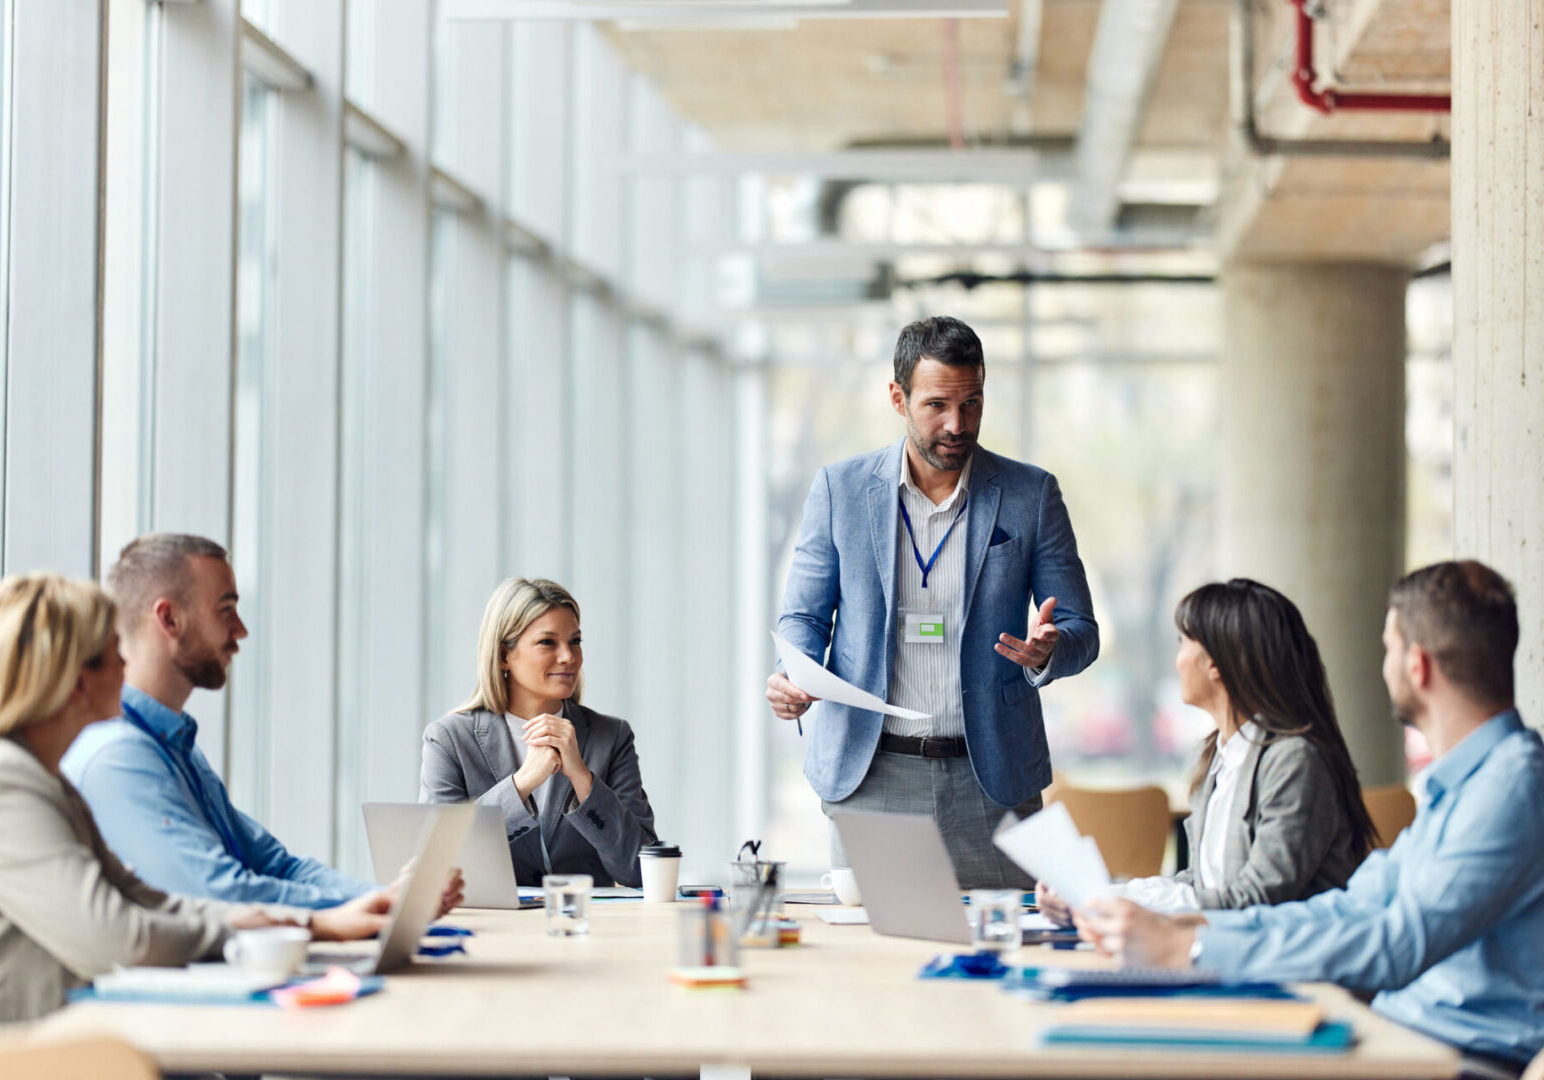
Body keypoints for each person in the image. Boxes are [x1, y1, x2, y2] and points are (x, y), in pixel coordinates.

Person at [1076, 560, 1544, 1070]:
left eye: (1387, 648)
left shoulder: (1511, 787)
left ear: (1418, 666)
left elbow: (1397, 942)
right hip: (1402, 1033)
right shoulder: (1459, 784)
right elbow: (1349, 907)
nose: (1381, 665)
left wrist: (1191, 950)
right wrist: (1191, 933)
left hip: (1459, 1055)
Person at [767, 315, 1099, 888]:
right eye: (937, 405)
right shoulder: (839, 491)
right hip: (872, 774)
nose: (956, 423)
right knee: (877, 965)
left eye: (972, 404)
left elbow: (1079, 627)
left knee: (1006, 952)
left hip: (991, 775)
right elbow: (803, 616)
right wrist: (792, 673)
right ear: (898, 398)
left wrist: (1051, 649)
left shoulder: (1029, 495)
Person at [0, 573, 397, 1022]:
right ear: (76, 682)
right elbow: (117, 937)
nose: (127, 668)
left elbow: (148, 899)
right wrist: (246, 934)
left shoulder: (50, 782)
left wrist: (314, 924)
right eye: (115, 656)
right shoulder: (11, 783)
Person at [62, 534, 460, 911]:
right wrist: (380, 905)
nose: (241, 630)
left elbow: (276, 866)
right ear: (169, 619)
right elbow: (221, 894)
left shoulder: (174, 745)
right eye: (225, 609)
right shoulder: (118, 754)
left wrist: (386, 897)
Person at [1038, 579, 1376, 924]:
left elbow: (1256, 900)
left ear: (1215, 662)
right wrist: (1095, 899)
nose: (1178, 660)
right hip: (1226, 955)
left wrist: (1118, 908)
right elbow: (1198, 885)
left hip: (1282, 968)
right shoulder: (1221, 755)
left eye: (1183, 644)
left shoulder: (1292, 762)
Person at [420, 577, 656, 888]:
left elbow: (641, 869)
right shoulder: (448, 739)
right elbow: (436, 866)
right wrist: (522, 783)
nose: (568, 657)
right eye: (548, 642)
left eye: (575, 641)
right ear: (504, 655)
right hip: (491, 930)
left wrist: (583, 780)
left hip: (586, 929)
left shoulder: (611, 737)